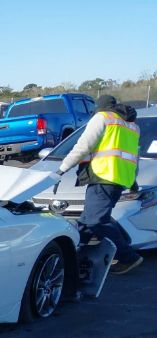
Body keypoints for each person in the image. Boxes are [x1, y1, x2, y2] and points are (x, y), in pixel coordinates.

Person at [55, 95, 143, 274]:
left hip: (103, 175)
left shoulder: (102, 117)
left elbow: (83, 146)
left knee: (95, 220)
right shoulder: (132, 126)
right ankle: (72, 258)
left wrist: (61, 169)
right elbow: (134, 156)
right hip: (118, 179)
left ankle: (128, 256)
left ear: (98, 108)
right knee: (88, 220)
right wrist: (133, 180)